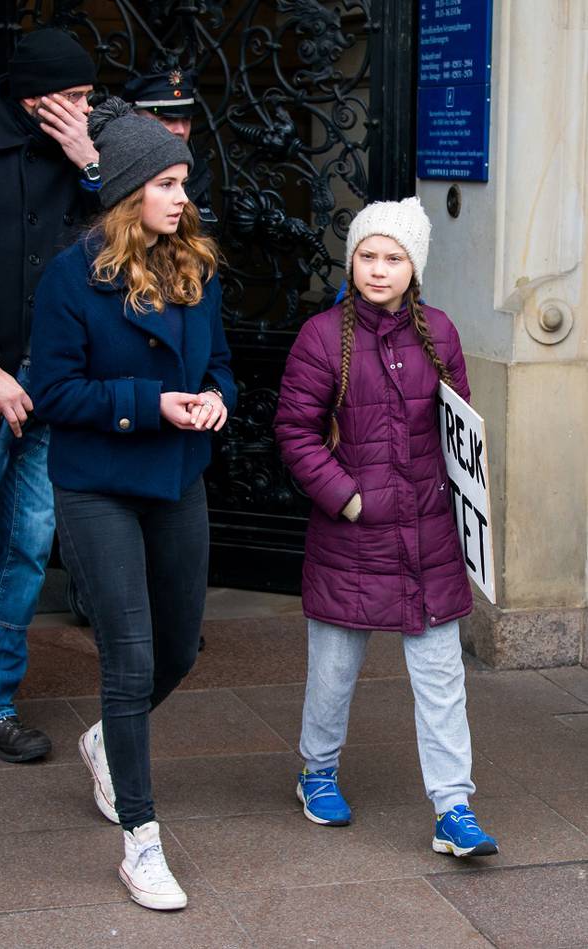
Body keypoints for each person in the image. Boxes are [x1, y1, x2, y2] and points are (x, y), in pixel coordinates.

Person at [30, 97, 236, 910]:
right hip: (98, 484)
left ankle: (104, 741)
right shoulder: (68, 278)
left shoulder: (197, 266)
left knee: (180, 648)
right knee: (131, 656)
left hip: (176, 475)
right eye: (165, 181)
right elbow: (53, 390)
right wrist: (152, 404)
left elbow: (219, 364)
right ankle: (142, 842)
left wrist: (216, 398)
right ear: (126, 190)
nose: (181, 196)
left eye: (183, 181)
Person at [274, 197, 499, 859]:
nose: (378, 269)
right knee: (333, 672)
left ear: (414, 267)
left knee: (441, 678)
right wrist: (348, 500)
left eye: (393, 257)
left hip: (428, 539)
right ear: (353, 260)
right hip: (352, 537)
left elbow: (461, 432)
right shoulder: (321, 337)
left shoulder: (442, 332)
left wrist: (462, 510)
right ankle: (316, 771)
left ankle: (453, 806)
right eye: (367, 255)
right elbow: (294, 432)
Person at [0, 28, 100, 763]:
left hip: (46, 398)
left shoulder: (89, 157)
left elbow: (126, 246)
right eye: (77, 96)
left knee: (23, 551)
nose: (86, 108)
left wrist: (89, 162)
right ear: (38, 94)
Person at [122, 67, 217, 230]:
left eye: (186, 119)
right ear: (134, 119)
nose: (180, 130)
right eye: (166, 119)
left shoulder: (197, 171)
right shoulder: (116, 169)